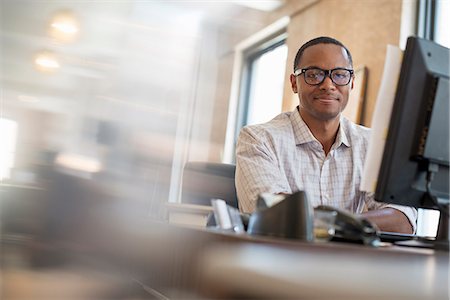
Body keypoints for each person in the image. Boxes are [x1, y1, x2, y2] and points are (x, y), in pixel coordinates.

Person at [235, 36, 416, 234]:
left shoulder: (372, 145)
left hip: (349, 263)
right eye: (313, 75)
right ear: (294, 83)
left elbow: (402, 220)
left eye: (339, 75)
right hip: (283, 261)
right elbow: (276, 217)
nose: (328, 85)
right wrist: (353, 225)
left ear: (352, 83)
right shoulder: (258, 139)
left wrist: (325, 222)